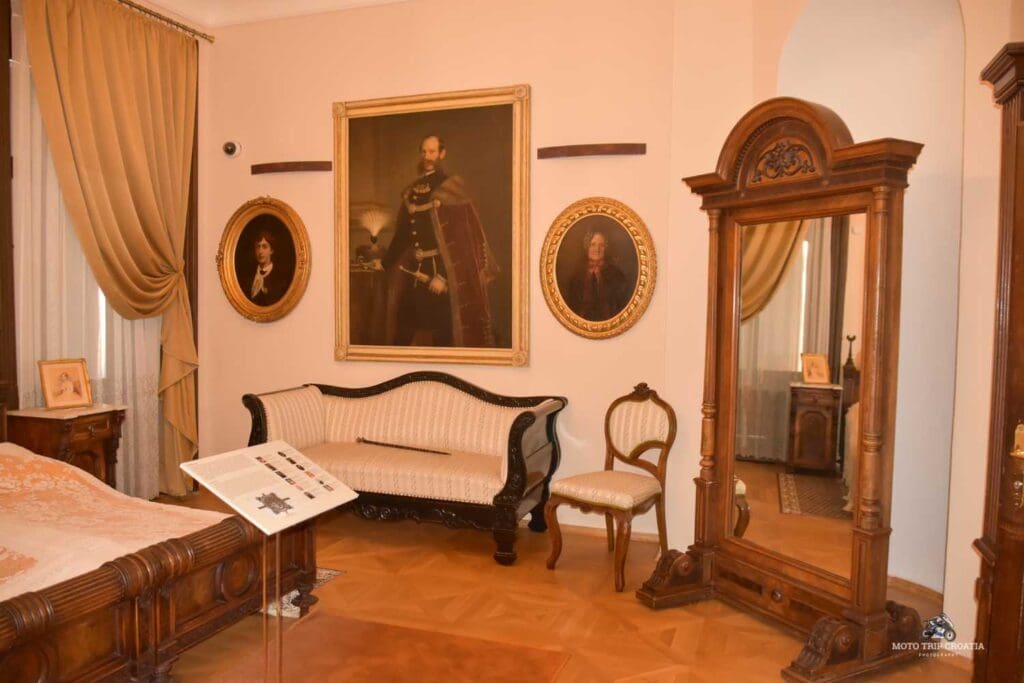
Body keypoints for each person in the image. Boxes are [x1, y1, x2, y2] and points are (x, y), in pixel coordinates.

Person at [375, 134, 498, 347]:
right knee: (404, 329)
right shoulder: (411, 192)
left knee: (444, 334)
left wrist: (442, 276)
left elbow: (461, 240)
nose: (427, 157)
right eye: (424, 152)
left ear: (442, 153)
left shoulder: (452, 189)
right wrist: (385, 263)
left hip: (443, 274)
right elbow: (402, 235)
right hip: (414, 273)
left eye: (432, 152)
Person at [564, 227, 631, 322]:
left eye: (601, 245)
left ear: (606, 248)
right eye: (593, 244)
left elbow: (619, 307)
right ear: (587, 247)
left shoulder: (617, 275)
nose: (597, 249)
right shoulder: (577, 277)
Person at [245, 229, 287, 306]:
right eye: (258, 246)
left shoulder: (281, 278)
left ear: (271, 250)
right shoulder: (247, 277)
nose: (260, 251)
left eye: (264, 247)